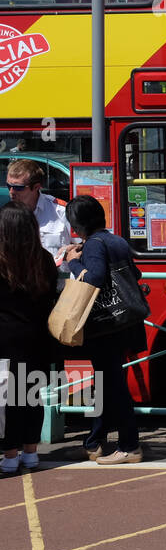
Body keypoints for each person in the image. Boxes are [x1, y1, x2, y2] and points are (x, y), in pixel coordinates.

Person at [62, 195, 144, 465]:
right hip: (125, 321)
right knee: (107, 385)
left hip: (106, 325)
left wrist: (73, 261)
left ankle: (130, 446)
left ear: (77, 224)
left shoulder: (94, 245)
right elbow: (136, 275)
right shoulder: (115, 239)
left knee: (115, 387)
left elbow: (94, 278)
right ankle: (94, 443)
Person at [0, 202, 59, 473]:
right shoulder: (44, 260)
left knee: (7, 398)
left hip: (6, 337)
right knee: (32, 395)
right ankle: (30, 452)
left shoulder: (2, 260)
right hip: (39, 337)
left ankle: (9, 456)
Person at [6, 159, 73, 262]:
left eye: (18, 188)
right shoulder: (6, 215)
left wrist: (70, 251)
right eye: (9, 186)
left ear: (36, 187)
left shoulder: (61, 212)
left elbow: (83, 245)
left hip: (58, 276)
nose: (11, 192)